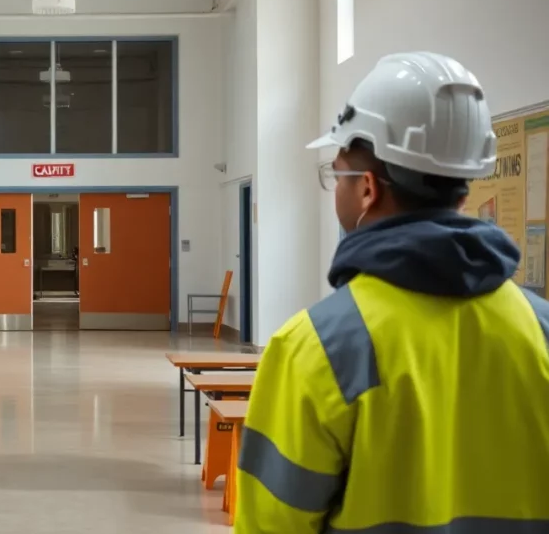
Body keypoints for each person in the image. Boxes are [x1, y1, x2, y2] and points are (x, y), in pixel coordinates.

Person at [235, 52, 549, 533]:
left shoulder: (315, 349)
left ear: (366, 189)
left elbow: (271, 524)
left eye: (335, 174)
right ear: (462, 190)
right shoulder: (541, 330)